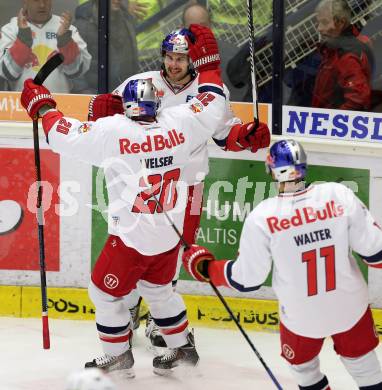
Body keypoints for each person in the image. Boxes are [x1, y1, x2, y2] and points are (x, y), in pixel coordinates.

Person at [21, 23, 229, 376]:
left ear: (127, 108)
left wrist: (42, 105)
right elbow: (213, 104)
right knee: (160, 291)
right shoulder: (180, 123)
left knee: (102, 293)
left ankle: (118, 355)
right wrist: (210, 65)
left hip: (132, 237)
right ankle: (182, 349)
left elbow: (61, 134)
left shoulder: (114, 131)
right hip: (168, 234)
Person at [109, 28, 270, 348]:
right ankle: (127, 309)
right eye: (169, 57)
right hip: (141, 184)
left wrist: (247, 137)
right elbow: (105, 118)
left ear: (193, 59)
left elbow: (226, 134)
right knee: (130, 247)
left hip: (187, 185)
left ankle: (158, 316)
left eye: (181, 58)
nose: (173, 64)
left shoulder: (210, 90)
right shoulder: (139, 83)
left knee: (171, 254)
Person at [182, 138, 382, 390]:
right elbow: (375, 252)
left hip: (302, 317)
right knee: (366, 368)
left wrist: (206, 268)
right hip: (351, 307)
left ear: (271, 170)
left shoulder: (263, 216)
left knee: (304, 370)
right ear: (303, 166)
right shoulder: (338, 194)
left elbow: (247, 280)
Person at [0, 0, 91, 92]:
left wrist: (65, 40)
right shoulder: (10, 30)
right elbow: (8, 73)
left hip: (60, 102)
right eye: (36, 0)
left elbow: (76, 72)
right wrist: (23, 38)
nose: (42, 5)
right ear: (24, 2)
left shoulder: (66, 27)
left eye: (46, 0)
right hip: (22, 103)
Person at [312, 0, 374, 110]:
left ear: (341, 23)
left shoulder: (346, 55)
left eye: (325, 22)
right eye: (318, 23)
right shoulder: (336, 49)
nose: (319, 28)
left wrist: (328, 122)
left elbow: (358, 100)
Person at [73, 0, 147, 93]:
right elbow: (74, 67)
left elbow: (131, 57)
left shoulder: (125, 18)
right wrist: (86, 95)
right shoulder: (82, 26)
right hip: (98, 96)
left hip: (126, 91)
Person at [181, 2, 242, 102]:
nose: (198, 31)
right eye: (193, 27)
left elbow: (239, 97)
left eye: (203, 26)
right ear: (182, 28)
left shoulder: (232, 55)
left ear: (210, 25)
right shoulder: (174, 61)